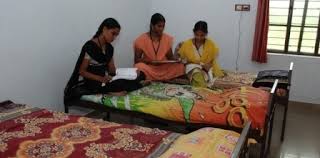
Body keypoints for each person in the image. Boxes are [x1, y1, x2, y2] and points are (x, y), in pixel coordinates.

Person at [65, 18, 145, 98]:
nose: (114, 38)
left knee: (140, 75)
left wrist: (131, 73)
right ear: (104, 29)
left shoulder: (109, 48)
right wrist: (100, 78)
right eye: (113, 34)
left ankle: (116, 88)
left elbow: (112, 70)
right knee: (121, 84)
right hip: (94, 81)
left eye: (116, 35)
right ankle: (109, 92)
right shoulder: (90, 47)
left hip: (105, 79)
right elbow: (82, 72)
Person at [134, 13, 185, 81]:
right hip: (149, 68)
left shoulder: (167, 39)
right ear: (152, 26)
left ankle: (154, 79)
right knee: (138, 66)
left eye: (163, 26)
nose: (162, 29)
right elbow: (137, 60)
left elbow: (170, 58)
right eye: (159, 26)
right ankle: (164, 78)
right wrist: (149, 61)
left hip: (163, 67)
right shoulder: (140, 40)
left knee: (180, 66)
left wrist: (177, 60)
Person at [176, 21, 224, 87]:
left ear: (206, 34)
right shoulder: (187, 44)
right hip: (192, 67)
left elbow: (212, 61)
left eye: (202, 35)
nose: (199, 38)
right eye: (197, 35)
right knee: (197, 73)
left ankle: (204, 87)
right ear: (193, 32)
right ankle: (204, 90)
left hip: (206, 69)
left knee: (210, 78)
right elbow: (183, 60)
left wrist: (207, 66)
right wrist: (197, 64)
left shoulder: (211, 45)